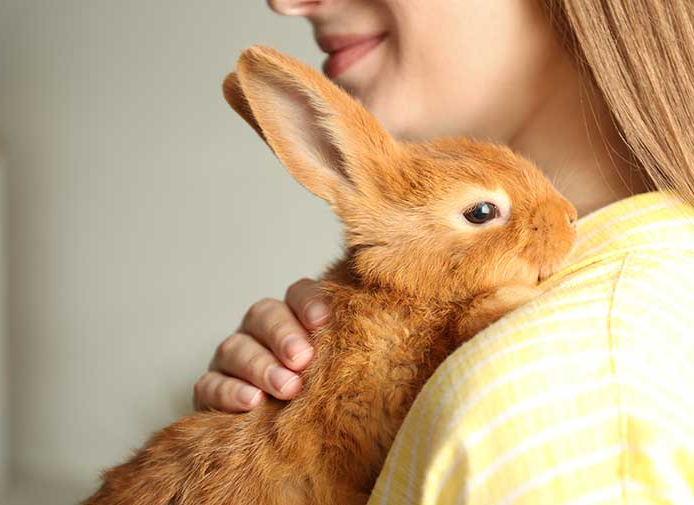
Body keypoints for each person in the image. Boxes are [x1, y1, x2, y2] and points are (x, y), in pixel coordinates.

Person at [196, 1, 694, 502]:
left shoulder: (554, 392)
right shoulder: (647, 298)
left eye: (480, 213)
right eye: (481, 213)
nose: (285, 2)